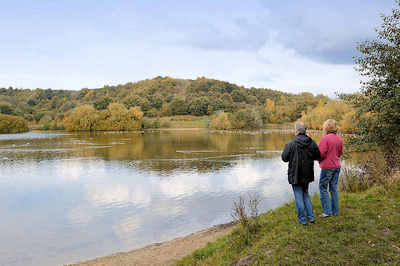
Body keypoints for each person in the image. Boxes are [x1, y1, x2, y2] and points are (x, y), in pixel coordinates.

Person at [282, 122, 321, 225]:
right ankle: (311, 218)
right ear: (305, 131)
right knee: (305, 194)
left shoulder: (291, 143)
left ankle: (303, 220)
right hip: (307, 174)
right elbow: (318, 156)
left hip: (295, 174)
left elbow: (284, 158)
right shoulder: (311, 142)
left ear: (296, 131)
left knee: (299, 196)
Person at [318, 119, 343, 217]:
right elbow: (340, 153)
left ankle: (327, 212)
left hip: (328, 167)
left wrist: (319, 160)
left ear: (326, 128)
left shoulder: (325, 139)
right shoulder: (339, 139)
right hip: (337, 166)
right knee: (333, 188)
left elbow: (321, 153)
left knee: (323, 187)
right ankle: (335, 211)